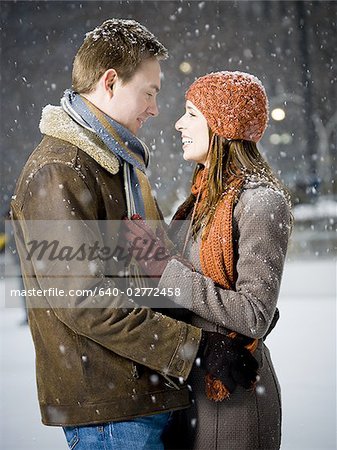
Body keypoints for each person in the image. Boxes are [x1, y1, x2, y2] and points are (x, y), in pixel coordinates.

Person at [10, 20, 258, 450]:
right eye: (150, 92)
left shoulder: (119, 166)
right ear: (110, 82)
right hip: (113, 410)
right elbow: (84, 302)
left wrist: (232, 314)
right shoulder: (60, 170)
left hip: (147, 395)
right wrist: (196, 348)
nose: (156, 108)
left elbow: (154, 271)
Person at [125, 71, 292, 449]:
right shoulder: (201, 201)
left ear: (222, 124)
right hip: (190, 388)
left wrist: (164, 267)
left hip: (234, 396)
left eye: (192, 113)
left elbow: (254, 315)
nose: (179, 123)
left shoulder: (260, 202)